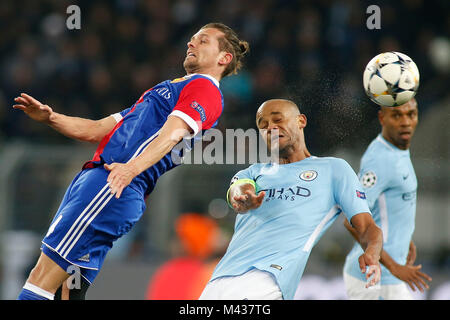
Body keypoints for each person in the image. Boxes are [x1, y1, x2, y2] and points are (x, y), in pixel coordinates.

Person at [13, 22, 249, 300]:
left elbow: (173, 134)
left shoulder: (205, 89)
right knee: (68, 290)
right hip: (108, 182)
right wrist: (51, 117)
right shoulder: (167, 89)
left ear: (224, 58)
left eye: (203, 40)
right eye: (192, 38)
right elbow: (98, 128)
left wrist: (131, 169)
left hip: (111, 183)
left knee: (41, 279)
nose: (191, 43)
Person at [199, 99, 383, 300]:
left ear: (301, 121)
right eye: (263, 125)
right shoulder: (253, 172)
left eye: (278, 119)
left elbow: (367, 226)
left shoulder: (333, 169)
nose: (271, 127)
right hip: (219, 279)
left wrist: (372, 253)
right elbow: (238, 188)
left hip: (266, 278)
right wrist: (243, 197)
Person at [343, 98, 432, 300]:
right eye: (397, 115)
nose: (406, 122)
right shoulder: (379, 160)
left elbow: (389, 204)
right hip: (374, 279)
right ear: (382, 118)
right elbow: (351, 220)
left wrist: (403, 238)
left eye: (411, 114)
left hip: (389, 278)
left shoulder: (398, 149)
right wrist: (395, 267)